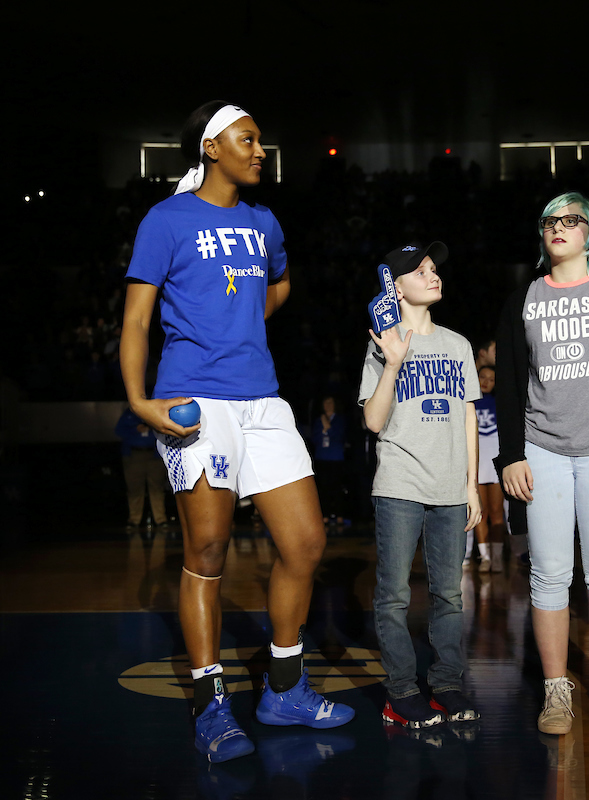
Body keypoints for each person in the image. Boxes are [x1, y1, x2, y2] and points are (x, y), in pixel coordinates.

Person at [120, 101, 353, 764]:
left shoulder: (263, 222)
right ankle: (211, 703)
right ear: (210, 147)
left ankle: (284, 688)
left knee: (306, 543)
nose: (259, 150)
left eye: (259, 141)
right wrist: (141, 401)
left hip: (262, 398)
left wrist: (241, 316)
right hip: (195, 397)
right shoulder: (166, 220)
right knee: (210, 548)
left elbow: (278, 284)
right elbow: (136, 320)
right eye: (246, 140)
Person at [495, 192, 589, 736]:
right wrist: (511, 453)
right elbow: (510, 386)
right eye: (550, 222)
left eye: (571, 220)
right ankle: (556, 693)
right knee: (549, 577)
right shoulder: (522, 300)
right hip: (543, 451)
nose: (558, 229)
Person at [359, 241, 483, 729]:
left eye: (434, 268)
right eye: (420, 270)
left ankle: (447, 686)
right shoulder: (381, 343)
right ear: (395, 287)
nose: (433, 276)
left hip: (451, 489)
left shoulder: (458, 345)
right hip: (399, 484)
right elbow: (372, 421)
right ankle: (402, 693)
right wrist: (391, 362)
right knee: (394, 596)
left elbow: (469, 415)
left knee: (449, 595)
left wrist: (473, 485)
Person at [472, 365, 506, 572]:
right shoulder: (468, 403)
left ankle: (498, 557)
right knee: (480, 513)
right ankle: (484, 558)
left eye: (491, 379)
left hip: (494, 463)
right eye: (482, 377)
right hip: (476, 463)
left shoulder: (501, 403)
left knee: (496, 512)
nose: (485, 382)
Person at [115, 404, 170, 534]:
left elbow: (165, 430)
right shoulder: (129, 414)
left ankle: (161, 520)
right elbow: (118, 431)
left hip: (154, 455)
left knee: (157, 487)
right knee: (134, 488)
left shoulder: (156, 411)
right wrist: (135, 429)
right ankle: (134, 520)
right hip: (134, 455)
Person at [310, 395, 349, 529]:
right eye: (325, 402)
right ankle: (324, 515)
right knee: (323, 488)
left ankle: (339, 516)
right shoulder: (317, 420)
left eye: (330, 402)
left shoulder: (340, 419)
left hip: (336, 458)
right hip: (322, 457)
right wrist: (323, 430)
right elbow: (314, 438)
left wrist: (327, 427)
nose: (327, 405)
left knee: (337, 488)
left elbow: (338, 436)